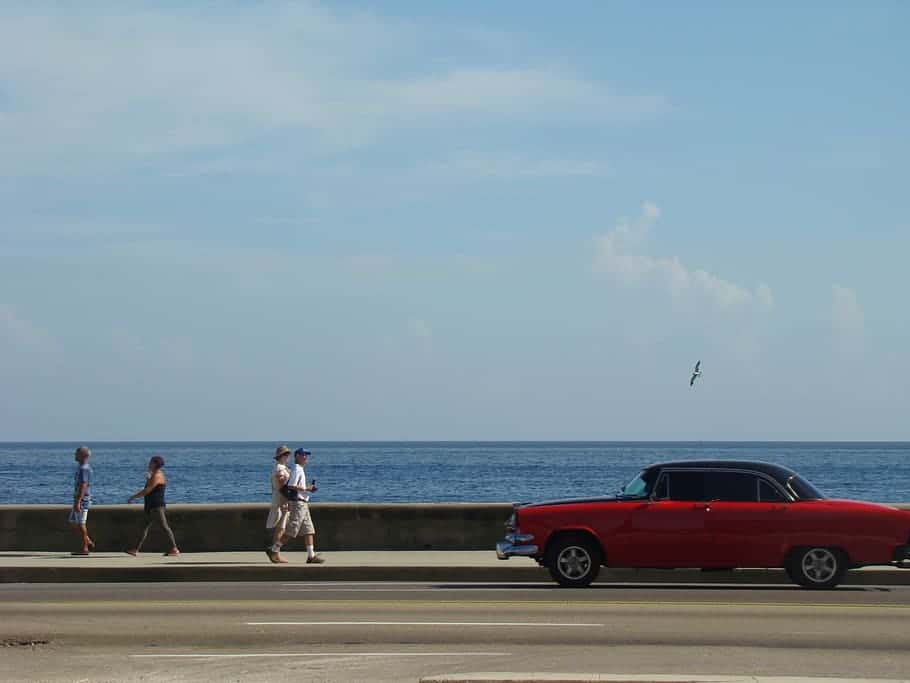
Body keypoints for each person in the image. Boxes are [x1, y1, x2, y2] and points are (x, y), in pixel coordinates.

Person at [267, 447, 324, 564]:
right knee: (291, 530)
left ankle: (311, 556)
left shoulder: (296, 469)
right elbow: (291, 486)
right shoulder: (296, 469)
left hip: (303, 502)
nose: (306, 457)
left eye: (306, 455)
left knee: (309, 529)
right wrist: (307, 488)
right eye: (303, 455)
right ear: (297, 456)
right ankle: (273, 549)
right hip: (298, 503)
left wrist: (307, 490)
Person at [125, 455, 180, 557]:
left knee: (164, 527)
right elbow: (151, 487)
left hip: (156, 506)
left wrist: (133, 497)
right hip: (151, 505)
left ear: (155, 464)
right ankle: (135, 549)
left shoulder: (157, 475)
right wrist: (148, 478)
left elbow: (147, 490)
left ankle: (174, 548)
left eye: (151, 462)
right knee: (143, 527)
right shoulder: (154, 475)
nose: (149, 464)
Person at [265, 445, 292, 563]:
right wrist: (287, 498)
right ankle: (275, 553)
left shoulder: (281, 467)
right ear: (281, 456)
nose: (288, 457)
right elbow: (281, 483)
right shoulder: (280, 468)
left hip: (280, 498)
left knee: (281, 527)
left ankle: (275, 552)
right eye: (286, 455)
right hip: (281, 499)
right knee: (280, 528)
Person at [69, 446, 94, 555]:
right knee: (73, 522)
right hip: (78, 499)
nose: (75, 455)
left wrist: (78, 501)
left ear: (83, 456)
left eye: (77, 454)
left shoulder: (84, 469)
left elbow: (83, 485)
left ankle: (84, 548)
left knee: (81, 524)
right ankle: (87, 541)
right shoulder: (81, 468)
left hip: (83, 500)